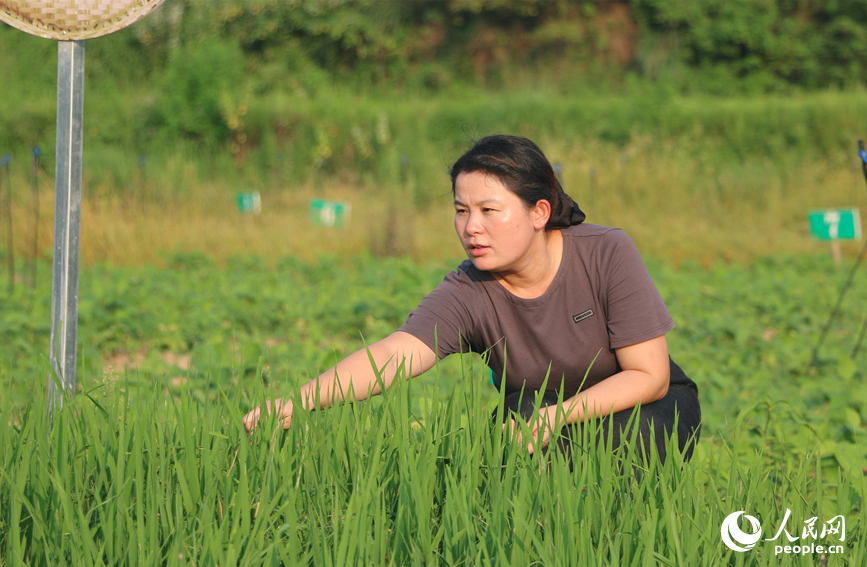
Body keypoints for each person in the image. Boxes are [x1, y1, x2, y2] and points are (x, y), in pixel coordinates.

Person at [244, 134, 701, 464]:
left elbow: (650, 376)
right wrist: (298, 402)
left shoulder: (605, 252)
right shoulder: (470, 290)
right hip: (536, 408)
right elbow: (394, 353)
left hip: (641, 405)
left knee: (634, 432)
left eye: (488, 211)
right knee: (514, 443)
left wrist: (559, 417)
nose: (471, 228)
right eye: (461, 211)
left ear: (539, 212)